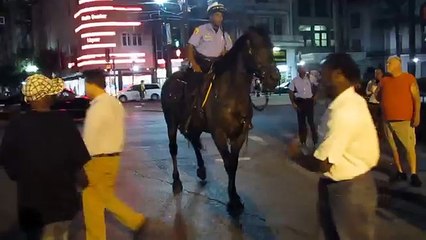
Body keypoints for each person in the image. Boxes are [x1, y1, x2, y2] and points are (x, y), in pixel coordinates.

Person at [289, 53, 379, 240]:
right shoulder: (350, 101)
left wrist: (296, 155)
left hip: (348, 192)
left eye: (323, 75)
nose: (319, 81)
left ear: (338, 74)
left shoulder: (344, 111)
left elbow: (323, 163)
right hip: (343, 186)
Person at [0, 74, 91, 240]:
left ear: (28, 99)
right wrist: (83, 181)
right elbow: (78, 161)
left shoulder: (17, 125)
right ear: (50, 97)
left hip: (31, 205)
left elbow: (7, 159)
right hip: (63, 203)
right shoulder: (64, 122)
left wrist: (19, 174)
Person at [82, 70, 146, 240]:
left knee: (92, 201)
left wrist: (82, 163)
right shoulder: (114, 103)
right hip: (113, 157)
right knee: (102, 197)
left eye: (86, 85)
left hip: (97, 160)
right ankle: (134, 220)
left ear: (91, 84)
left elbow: (89, 138)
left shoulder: (97, 108)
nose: (85, 89)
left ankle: (134, 220)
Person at [184, 2, 232, 131]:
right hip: (201, 63)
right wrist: (194, 64)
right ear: (210, 16)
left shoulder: (225, 34)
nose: (219, 18)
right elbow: (190, 47)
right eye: (216, 15)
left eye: (221, 16)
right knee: (195, 86)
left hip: (217, 64)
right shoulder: (201, 29)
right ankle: (192, 113)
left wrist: (225, 53)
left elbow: (229, 51)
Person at [379, 56, 422, 187]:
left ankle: (413, 174)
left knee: (409, 147)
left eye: (389, 63)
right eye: (387, 63)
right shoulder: (384, 80)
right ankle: (400, 171)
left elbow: (416, 98)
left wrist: (417, 115)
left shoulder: (408, 78)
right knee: (394, 148)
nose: (387, 65)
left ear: (398, 64)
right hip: (387, 119)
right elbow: (378, 95)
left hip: (404, 119)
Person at [289, 66, 319, 149]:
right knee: (301, 123)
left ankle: (315, 141)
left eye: (303, 69)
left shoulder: (310, 78)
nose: (302, 71)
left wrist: (315, 97)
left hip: (309, 101)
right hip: (300, 102)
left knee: (311, 122)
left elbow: (317, 87)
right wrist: (293, 103)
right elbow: (290, 91)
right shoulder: (295, 80)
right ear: (298, 71)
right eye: (300, 70)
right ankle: (303, 142)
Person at [366, 67, 384, 135]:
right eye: (375, 73)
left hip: (381, 104)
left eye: (378, 73)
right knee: (373, 120)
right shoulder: (371, 82)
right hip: (373, 104)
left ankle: (381, 133)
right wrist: (371, 90)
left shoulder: (384, 82)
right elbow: (367, 92)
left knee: (381, 121)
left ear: (382, 74)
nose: (376, 75)